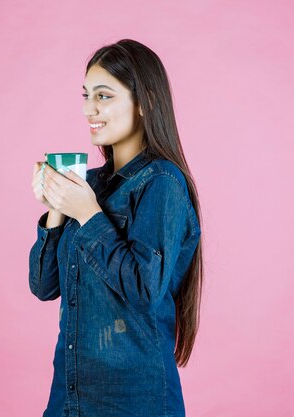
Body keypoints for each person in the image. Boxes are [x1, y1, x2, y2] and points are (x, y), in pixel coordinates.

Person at [29, 39, 203, 417]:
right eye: (86, 95)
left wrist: (89, 215)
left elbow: (144, 289)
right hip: (69, 400)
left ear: (145, 102)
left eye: (104, 96)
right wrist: (57, 209)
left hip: (133, 402)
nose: (89, 108)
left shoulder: (162, 184)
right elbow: (44, 286)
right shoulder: (88, 185)